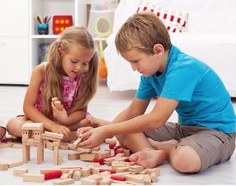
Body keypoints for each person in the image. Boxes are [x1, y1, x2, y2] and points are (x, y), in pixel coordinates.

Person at [77, 12, 236, 173]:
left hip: (218, 133)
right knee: (123, 132)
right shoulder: (150, 72)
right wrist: (105, 131)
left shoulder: (183, 68)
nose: (134, 68)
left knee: (185, 160)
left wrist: (106, 130)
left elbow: (157, 119)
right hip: (185, 129)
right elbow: (134, 111)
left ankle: (167, 148)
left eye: (135, 61)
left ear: (158, 50)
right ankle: (152, 152)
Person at [7, 26, 102, 141]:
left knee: (87, 123)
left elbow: (81, 111)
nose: (79, 68)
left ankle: (59, 134)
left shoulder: (82, 75)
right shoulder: (41, 71)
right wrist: (53, 126)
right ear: (60, 51)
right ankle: (70, 135)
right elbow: (28, 107)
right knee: (13, 125)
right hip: (41, 120)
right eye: (74, 61)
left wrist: (65, 120)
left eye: (85, 63)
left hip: (69, 121)